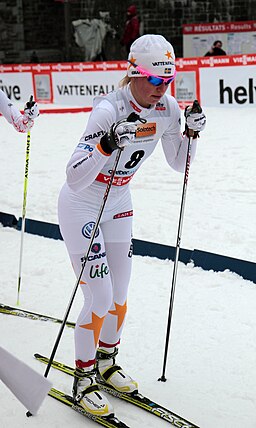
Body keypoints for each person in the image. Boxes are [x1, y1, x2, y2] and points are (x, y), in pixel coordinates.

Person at [58, 34, 206, 418]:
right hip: (83, 204)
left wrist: (191, 133)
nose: (161, 90)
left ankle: (106, 361)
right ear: (134, 74)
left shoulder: (168, 108)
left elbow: (180, 163)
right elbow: (74, 177)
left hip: (119, 201)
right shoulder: (108, 109)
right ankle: (83, 378)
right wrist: (107, 144)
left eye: (168, 82)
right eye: (155, 81)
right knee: (100, 297)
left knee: (120, 294)